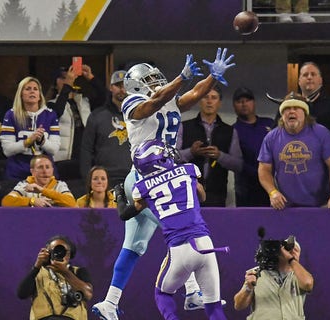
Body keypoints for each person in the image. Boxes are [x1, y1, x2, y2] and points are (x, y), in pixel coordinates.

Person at [93, 48, 236, 319]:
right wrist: (181, 78)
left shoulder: (166, 96)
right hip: (146, 177)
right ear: (136, 84)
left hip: (159, 176)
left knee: (134, 245)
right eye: (150, 80)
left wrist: (212, 78)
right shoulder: (132, 101)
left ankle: (110, 302)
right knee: (179, 227)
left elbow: (193, 96)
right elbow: (154, 103)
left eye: (158, 78)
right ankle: (193, 291)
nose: (157, 83)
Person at [119, 140, 227, 319]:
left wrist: (120, 196)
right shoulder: (189, 170)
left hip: (179, 248)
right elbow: (202, 195)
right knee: (214, 307)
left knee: (162, 293)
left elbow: (126, 213)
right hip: (205, 243)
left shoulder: (142, 188)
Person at [258, 93, 330, 213]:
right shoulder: (271, 138)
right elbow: (264, 169)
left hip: (321, 206)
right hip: (286, 207)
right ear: (281, 114)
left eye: (296, 108)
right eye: (287, 109)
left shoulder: (322, 133)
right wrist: (272, 192)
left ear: (305, 113)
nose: (291, 112)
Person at [177, 86, 243, 207]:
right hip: (187, 192)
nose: (209, 101)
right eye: (205, 97)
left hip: (217, 195)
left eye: (214, 98)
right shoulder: (184, 127)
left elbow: (238, 165)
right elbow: (173, 159)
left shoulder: (229, 131)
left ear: (219, 103)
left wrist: (219, 156)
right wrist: (191, 152)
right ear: (199, 101)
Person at [47, 64, 106, 179]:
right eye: (63, 78)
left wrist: (91, 78)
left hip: (85, 158)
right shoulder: (50, 104)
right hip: (63, 159)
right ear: (55, 83)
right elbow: (58, 111)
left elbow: (105, 97)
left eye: (70, 78)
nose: (68, 80)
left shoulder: (84, 102)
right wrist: (67, 86)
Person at [17, 235, 93, 320]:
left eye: (63, 251)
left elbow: (88, 294)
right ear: (48, 253)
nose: (59, 254)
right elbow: (22, 294)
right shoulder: (38, 273)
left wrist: (65, 272)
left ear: (70, 254)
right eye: (55, 251)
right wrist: (36, 267)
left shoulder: (78, 272)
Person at [233, 240, 314, 319]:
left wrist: (290, 259)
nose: (291, 252)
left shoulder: (300, 277)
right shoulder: (257, 272)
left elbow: (308, 284)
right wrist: (248, 288)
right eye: (288, 249)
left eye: (296, 250)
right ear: (279, 253)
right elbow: (238, 305)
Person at [0, 76, 60, 180]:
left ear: (40, 95)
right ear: (21, 94)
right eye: (28, 89)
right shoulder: (11, 115)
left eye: (35, 89)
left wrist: (42, 141)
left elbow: (54, 149)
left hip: (45, 172)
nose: (32, 91)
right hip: (17, 171)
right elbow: (7, 150)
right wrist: (28, 141)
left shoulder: (50, 115)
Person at [79, 70, 132, 187]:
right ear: (111, 87)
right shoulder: (97, 116)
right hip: (104, 179)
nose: (122, 89)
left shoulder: (139, 116)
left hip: (133, 177)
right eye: (118, 85)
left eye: (125, 86)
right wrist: (87, 179)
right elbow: (86, 151)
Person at [231, 87, 275, 207]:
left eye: (247, 100)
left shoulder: (269, 123)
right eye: (240, 101)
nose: (244, 104)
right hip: (247, 189)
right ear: (234, 105)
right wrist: (259, 173)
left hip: (272, 186)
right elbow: (236, 162)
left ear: (254, 102)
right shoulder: (233, 130)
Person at [292, 62, 330, 148]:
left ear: (320, 80)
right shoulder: (288, 107)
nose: (309, 77)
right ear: (299, 81)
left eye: (313, 74)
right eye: (305, 75)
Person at [1, 154, 76, 207]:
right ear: (32, 172)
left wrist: (42, 190)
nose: (45, 171)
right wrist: (32, 201)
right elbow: (6, 202)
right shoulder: (24, 185)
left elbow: (72, 203)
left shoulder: (60, 185)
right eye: (40, 167)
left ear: (52, 170)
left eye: (47, 167)